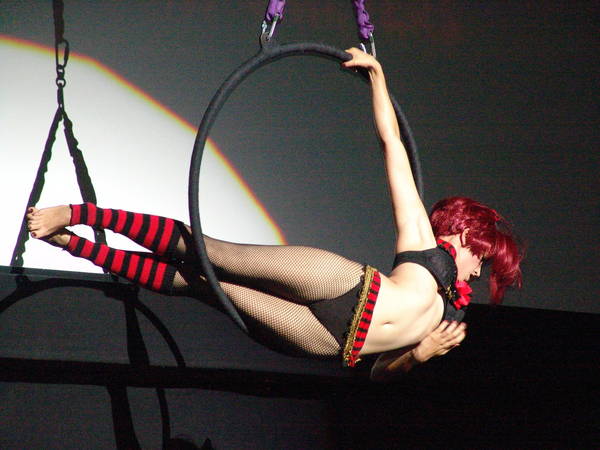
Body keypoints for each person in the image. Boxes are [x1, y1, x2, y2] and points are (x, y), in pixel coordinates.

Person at [25, 48, 522, 382]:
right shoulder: (425, 249)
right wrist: (378, 78)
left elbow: (377, 374)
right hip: (346, 285)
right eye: (482, 260)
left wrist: (419, 355)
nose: (479, 273)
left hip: (329, 341)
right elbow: (392, 146)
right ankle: (78, 211)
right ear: (464, 235)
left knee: (202, 285)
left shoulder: (452, 320)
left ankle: (76, 246)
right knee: (211, 254)